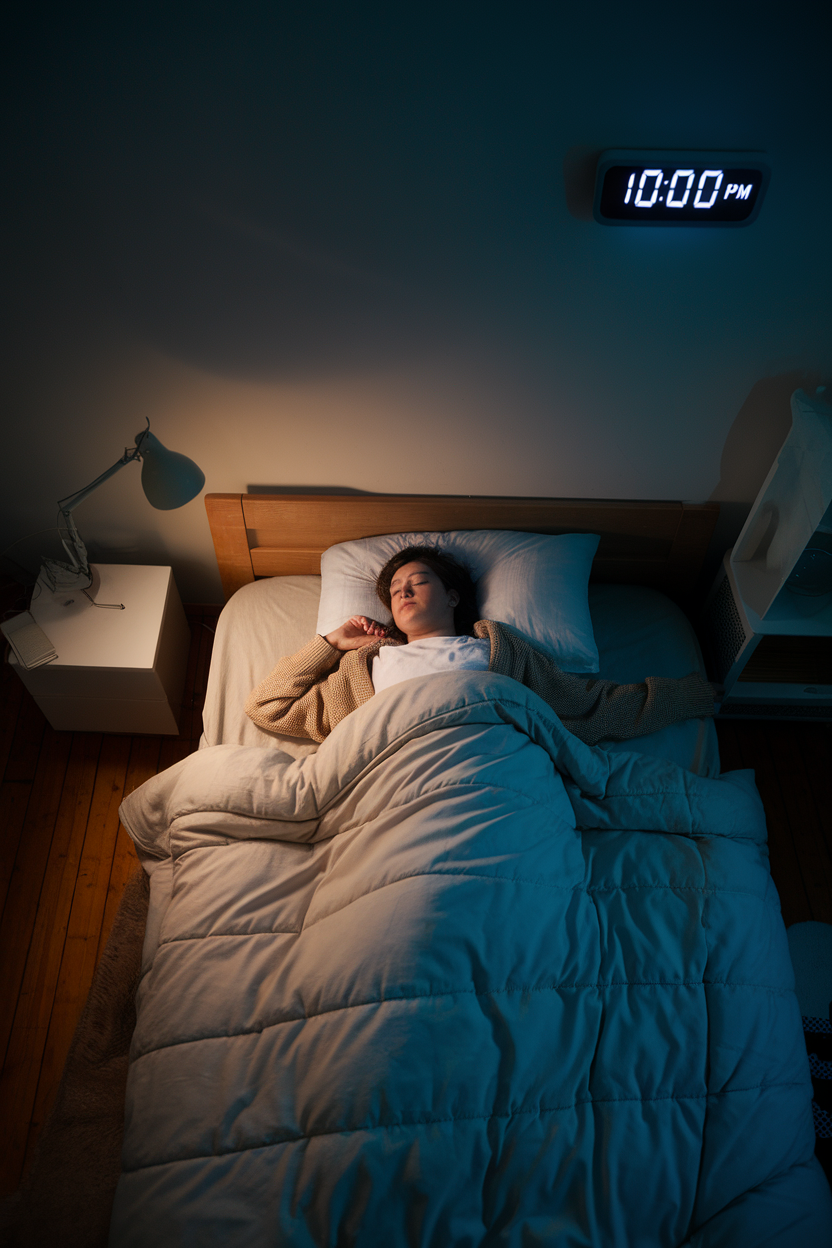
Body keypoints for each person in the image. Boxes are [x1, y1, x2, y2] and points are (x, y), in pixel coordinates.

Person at [245, 545, 718, 745]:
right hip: (392, 778)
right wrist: (331, 643)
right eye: (394, 590)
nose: (403, 592)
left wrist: (688, 696)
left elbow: (588, 707)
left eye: (418, 581)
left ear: (452, 596)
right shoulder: (364, 668)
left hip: (489, 766)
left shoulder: (495, 650)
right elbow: (268, 706)